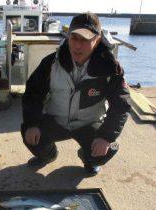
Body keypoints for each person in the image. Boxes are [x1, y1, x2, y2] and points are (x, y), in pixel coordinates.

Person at [21, 12, 131, 176]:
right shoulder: (51, 63)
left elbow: (121, 106)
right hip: (56, 119)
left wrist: (106, 137)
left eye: (85, 40)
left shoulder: (111, 68)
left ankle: (88, 158)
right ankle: (48, 154)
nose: (78, 46)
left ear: (97, 40)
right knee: (29, 134)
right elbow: (32, 93)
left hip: (88, 123)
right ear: (68, 37)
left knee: (106, 150)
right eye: (74, 38)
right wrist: (32, 123)